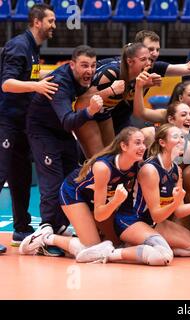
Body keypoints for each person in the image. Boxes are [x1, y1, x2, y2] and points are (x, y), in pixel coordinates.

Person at [20, 127, 174, 266]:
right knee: (91, 249)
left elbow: (151, 131)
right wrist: (115, 202)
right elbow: (100, 214)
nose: (143, 147)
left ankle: (77, 236)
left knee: (116, 243)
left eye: (143, 143)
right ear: (124, 146)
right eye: (138, 143)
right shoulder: (103, 168)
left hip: (96, 198)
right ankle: (46, 237)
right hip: (74, 194)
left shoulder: (135, 164)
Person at [26, 45, 103, 256]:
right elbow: (69, 121)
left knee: (73, 176)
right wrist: (90, 111)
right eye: (84, 65)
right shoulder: (60, 84)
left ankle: (60, 226)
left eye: (93, 65)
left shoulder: (87, 76)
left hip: (60, 131)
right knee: (52, 181)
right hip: (43, 131)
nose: (90, 70)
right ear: (71, 65)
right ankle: (45, 231)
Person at [0, 3, 58, 249]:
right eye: (51, 21)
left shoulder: (33, 48)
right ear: (37, 22)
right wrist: (36, 86)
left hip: (22, 123)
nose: (54, 26)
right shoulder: (19, 46)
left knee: (21, 178)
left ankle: (21, 229)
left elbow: (26, 78)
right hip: (6, 122)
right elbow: (7, 84)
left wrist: (46, 77)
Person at [126, 123, 190, 256]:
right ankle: (122, 249)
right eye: (176, 137)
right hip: (134, 220)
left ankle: (148, 246)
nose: (182, 140)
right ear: (162, 142)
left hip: (153, 222)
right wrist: (175, 202)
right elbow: (157, 216)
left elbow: (179, 212)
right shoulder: (150, 169)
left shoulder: (176, 169)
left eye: (183, 137)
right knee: (163, 256)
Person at [109, 30, 190, 134]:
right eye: (150, 49)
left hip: (122, 119)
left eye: (157, 49)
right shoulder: (115, 70)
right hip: (104, 117)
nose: (155, 53)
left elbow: (188, 68)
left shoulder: (154, 67)